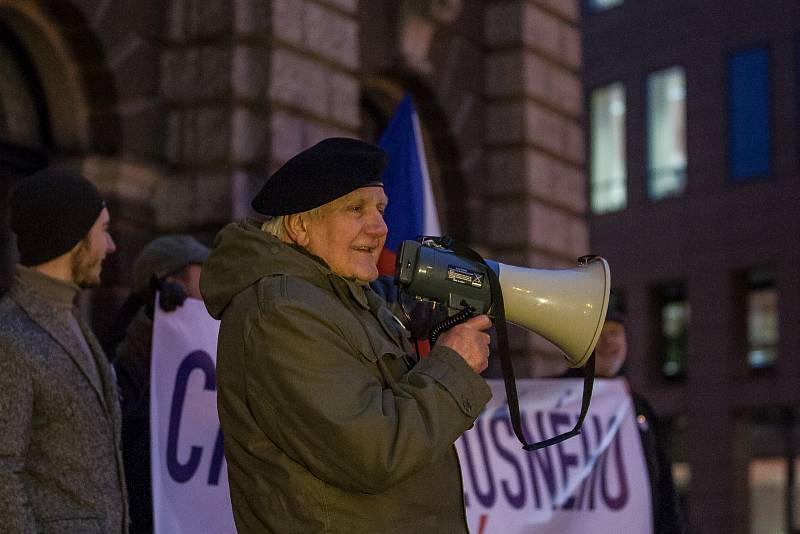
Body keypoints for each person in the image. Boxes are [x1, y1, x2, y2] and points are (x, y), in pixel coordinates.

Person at [201, 137, 493, 533]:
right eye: (355, 209)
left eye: (380, 209)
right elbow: (374, 452)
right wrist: (452, 367)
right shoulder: (281, 312)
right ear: (300, 226)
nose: (379, 228)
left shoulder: (342, 297)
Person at [0, 168, 128, 533]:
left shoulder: (71, 321)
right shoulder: (10, 336)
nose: (111, 246)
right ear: (74, 238)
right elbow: (3, 473)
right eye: (103, 231)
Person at [111, 235, 209, 534]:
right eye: (203, 272)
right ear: (173, 282)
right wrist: (158, 321)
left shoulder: (214, 336)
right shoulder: (129, 355)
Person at [563, 310, 687, 534]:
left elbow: (662, 481)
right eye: (599, 333)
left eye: (614, 333)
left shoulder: (637, 405)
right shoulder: (554, 398)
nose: (607, 341)